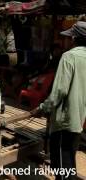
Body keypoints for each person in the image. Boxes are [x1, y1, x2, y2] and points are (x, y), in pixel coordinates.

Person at [31, 21, 86, 180]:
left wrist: (42, 108)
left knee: (62, 167)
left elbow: (59, 91)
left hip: (64, 121)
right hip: (78, 119)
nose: (66, 41)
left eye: (68, 37)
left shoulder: (69, 56)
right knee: (69, 161)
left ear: (74, 38)